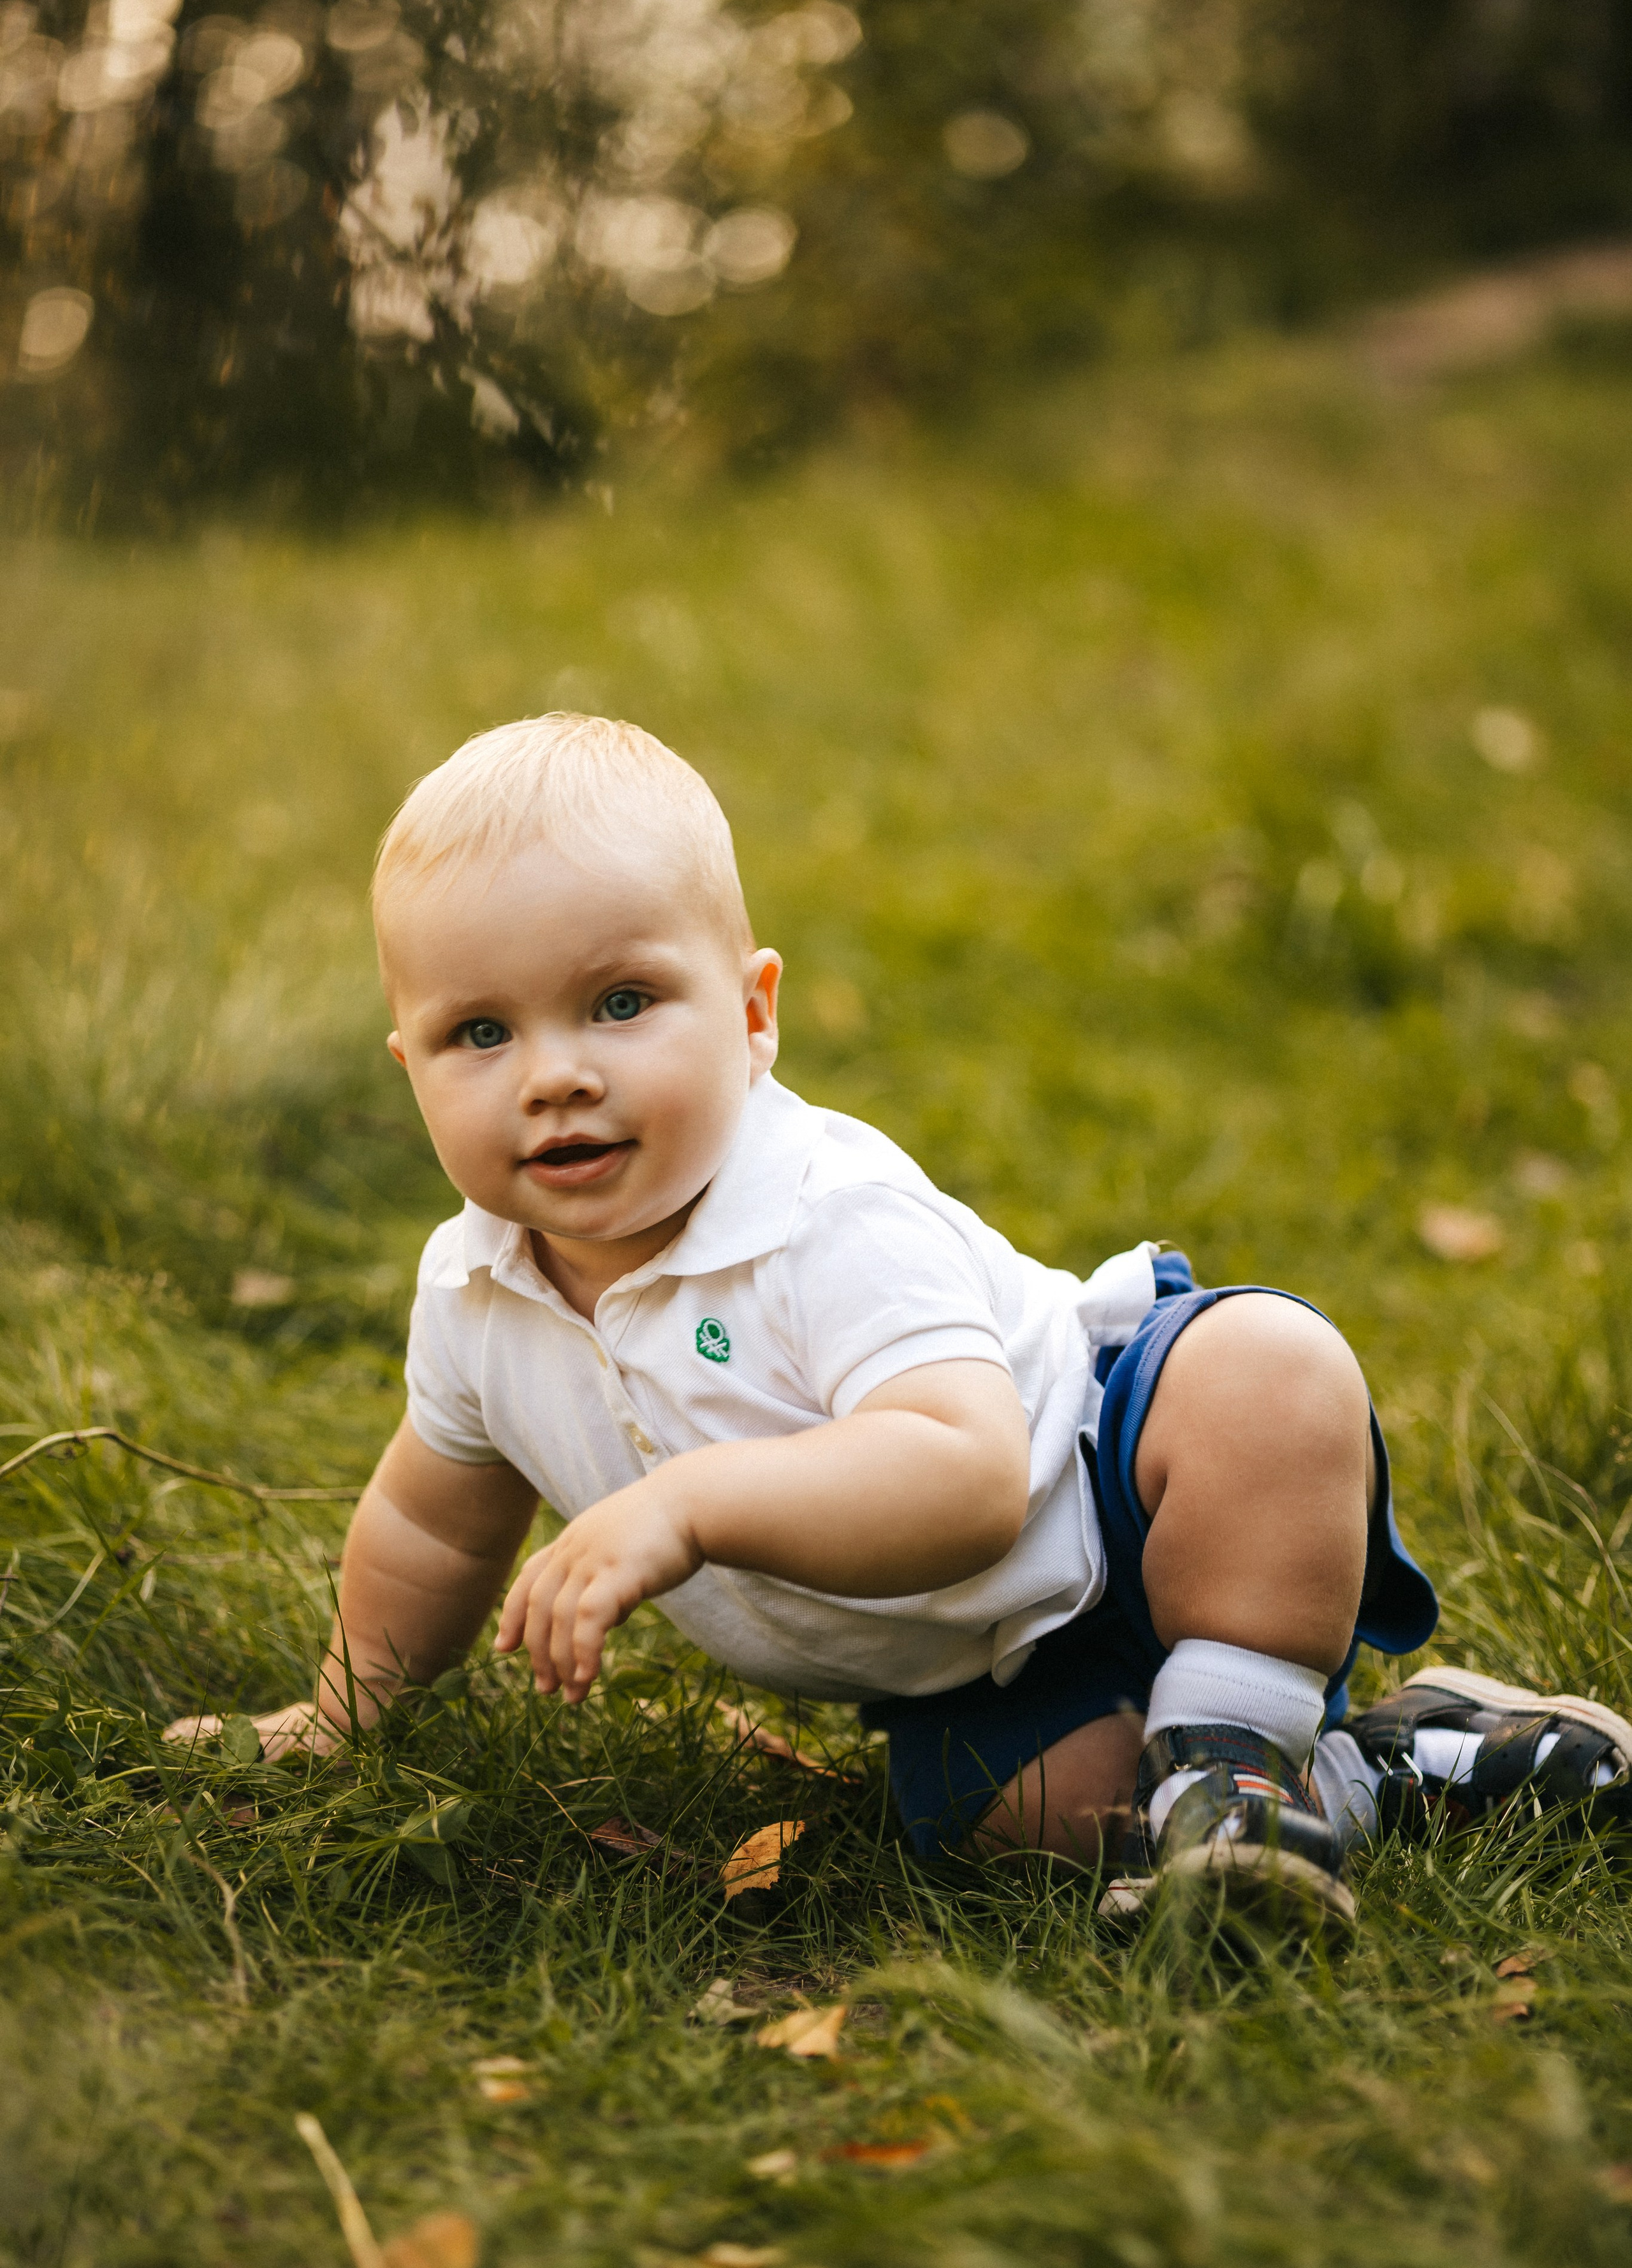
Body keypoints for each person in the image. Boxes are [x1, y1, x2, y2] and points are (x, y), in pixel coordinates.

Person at [165, 715, 1632, 1928]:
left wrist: (688, 1506)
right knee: (1036, 1829)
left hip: (1109, 1477)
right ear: (405, 1063)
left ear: (751, 1017)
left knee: (1266, 1376)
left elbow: (968, 1477)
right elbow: (432, 1528)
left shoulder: (819, 1215)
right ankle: (1389, 1770)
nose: (552, 1074)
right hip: (970, 1661)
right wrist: (344, 1715)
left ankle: (1239, 1750)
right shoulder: (474, 1293)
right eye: (479, 1033)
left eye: (619, 1002)